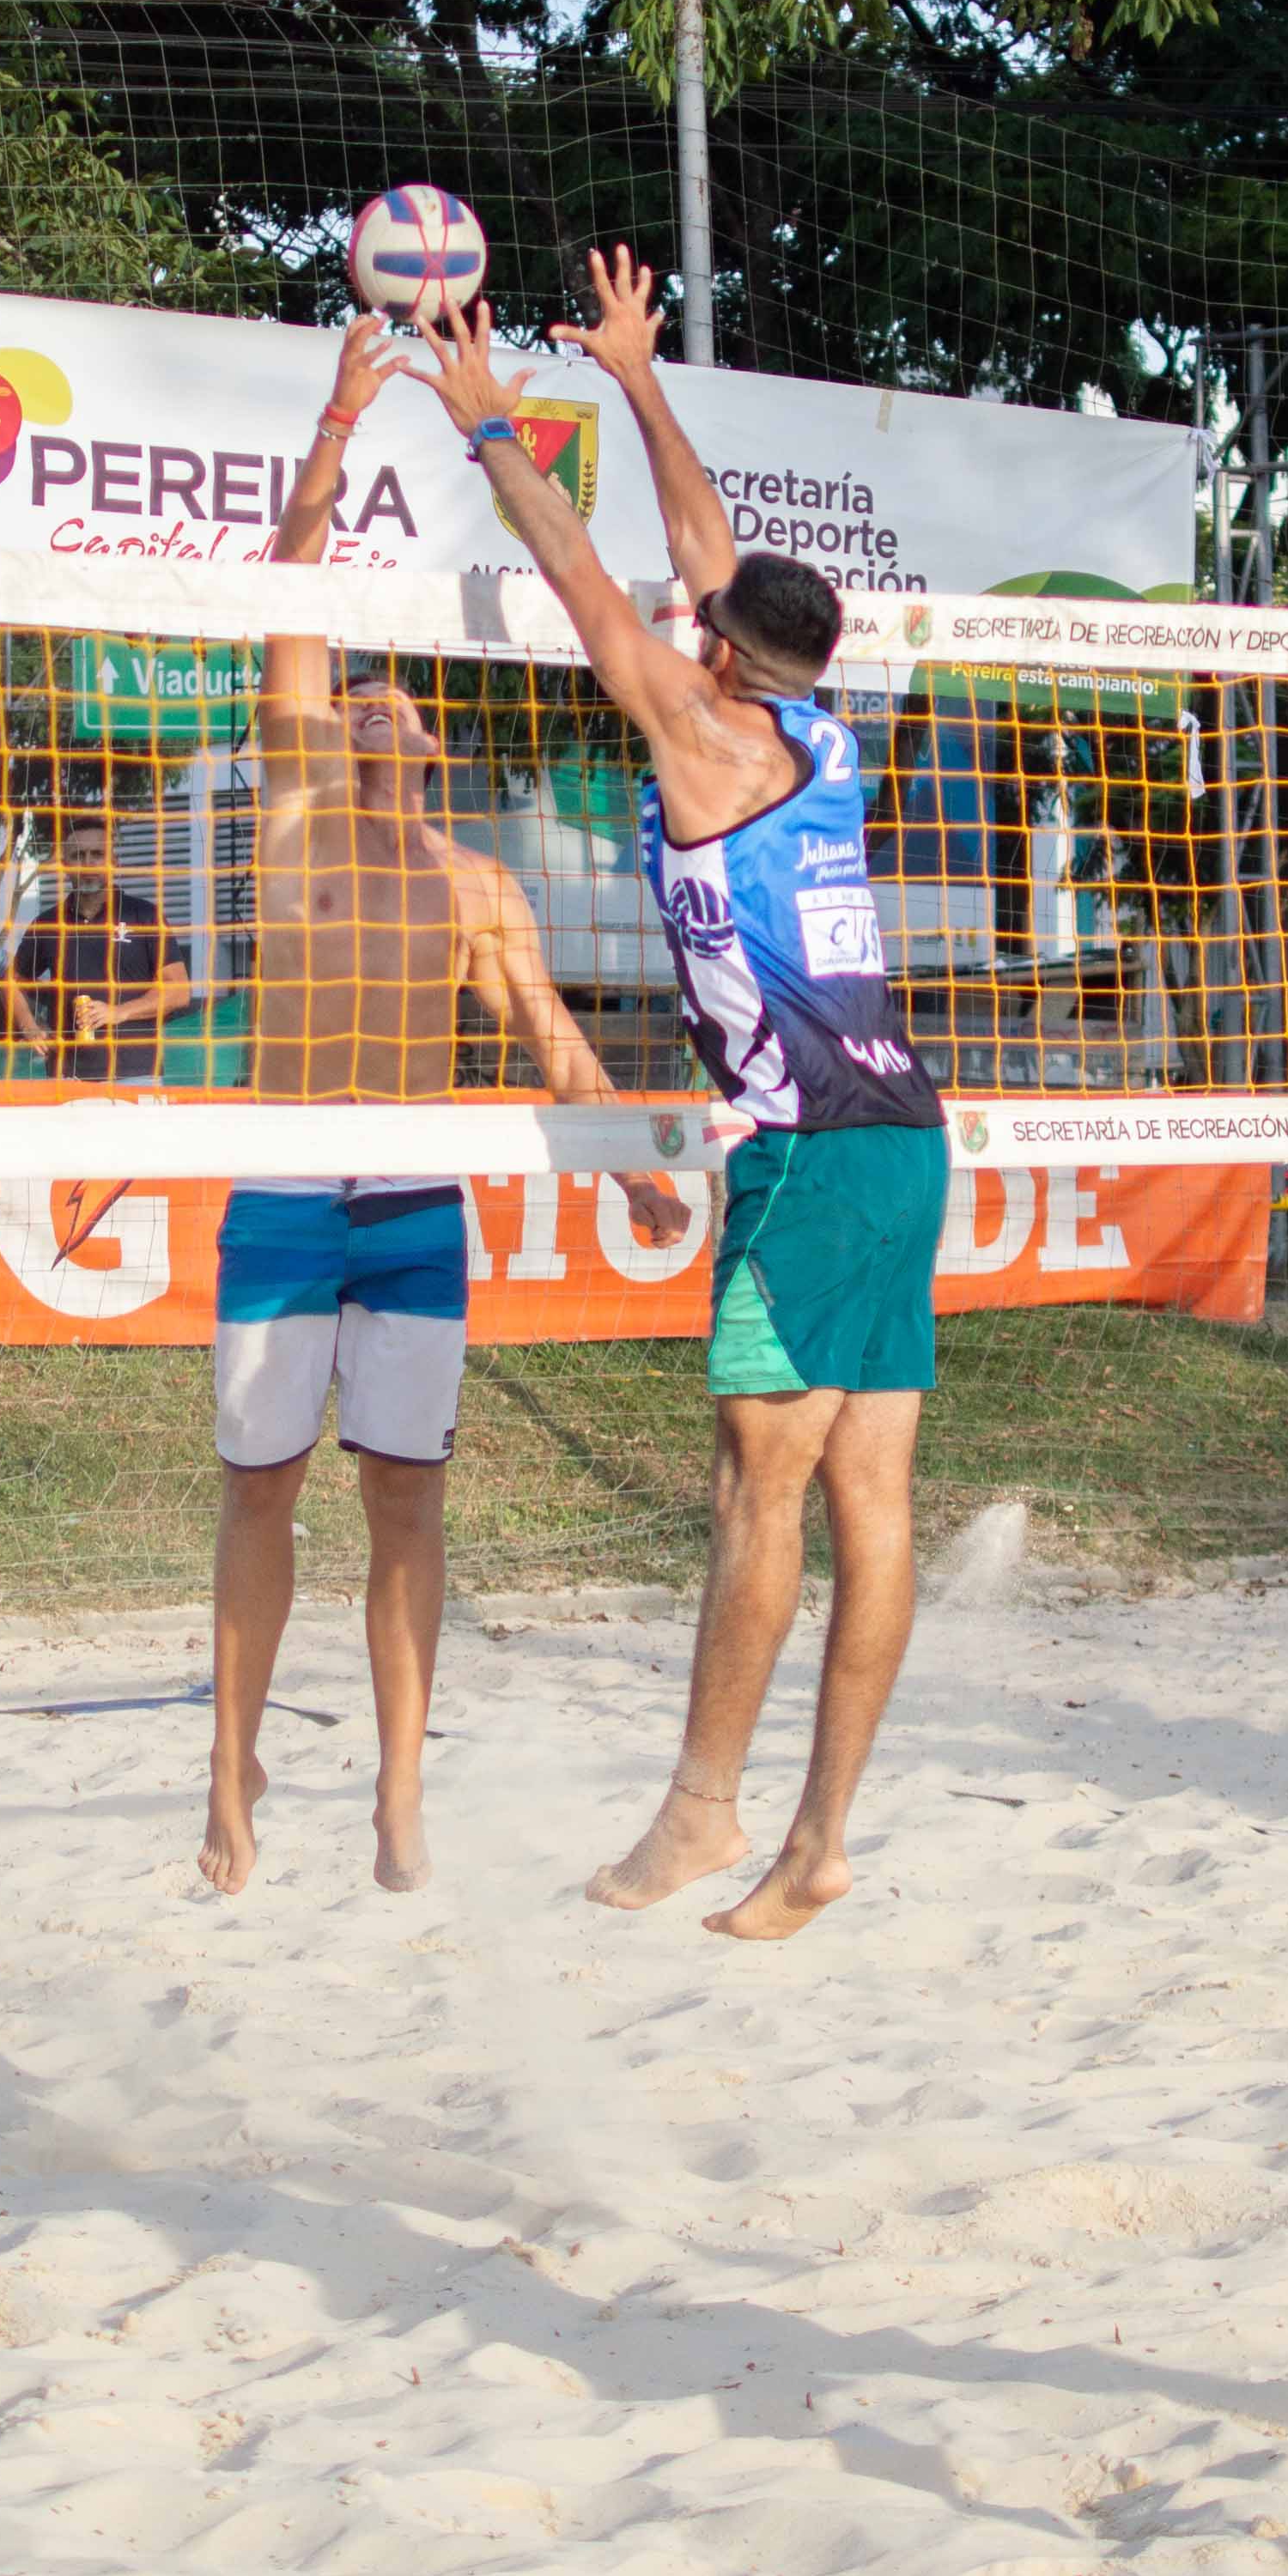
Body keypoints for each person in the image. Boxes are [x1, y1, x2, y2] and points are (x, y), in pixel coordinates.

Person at [427, 250, 951, 1944]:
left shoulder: (702, 738)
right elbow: (703, 553)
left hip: (805, 1158)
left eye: (698, 632)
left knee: (754, 1491)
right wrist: (641, 378)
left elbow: (585, 580)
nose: (682, 623)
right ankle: (817, 1842)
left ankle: (701, 1812)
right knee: (864, 1500)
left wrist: (495, 422)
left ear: (726, 666)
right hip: (898, 1137)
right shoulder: (815, 722)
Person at [197, 319, 687, 1898]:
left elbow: (553, 1039)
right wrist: (337, 423)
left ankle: (400, 1794)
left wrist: (627, 1169)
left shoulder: (476, 888)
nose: (374, 720)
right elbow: (293, 594)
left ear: (434, 753)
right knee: (257, 1490)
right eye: (354, 708)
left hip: (411, 1204)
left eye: (399, 714)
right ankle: (231, 1771)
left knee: (405, 1499)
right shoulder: (291, 830)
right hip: (284, 1187)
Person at [3, 816, 196, 1082]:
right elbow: (11, 981)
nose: (89, 864)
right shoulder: (48, 923)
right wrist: (29, 1026)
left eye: (97, 854)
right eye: (79, 855)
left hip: (136, 1075)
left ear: (114, 863)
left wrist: (118, 1012)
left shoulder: (145, 916)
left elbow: (179, 989)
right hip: (66, 1077)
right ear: (65, 865)